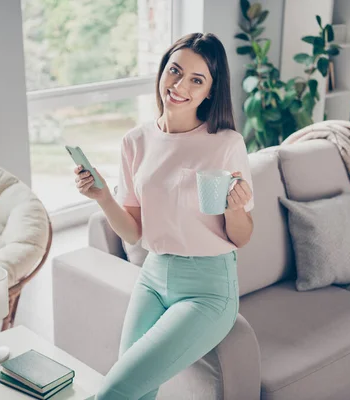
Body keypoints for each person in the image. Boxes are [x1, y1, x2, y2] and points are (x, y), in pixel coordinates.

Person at [73, 32, 254, 400]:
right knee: (136, 390)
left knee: (115, 389)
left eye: (196, 80)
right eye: (175, 71)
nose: (179, 85)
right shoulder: (135, 141)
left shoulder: (226, 144)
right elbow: (134, 232)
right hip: (153, 278)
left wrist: (235, 208)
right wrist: (103, 196)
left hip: (209, 289)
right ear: (162, 71)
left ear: (209, 92)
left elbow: (242, 237)